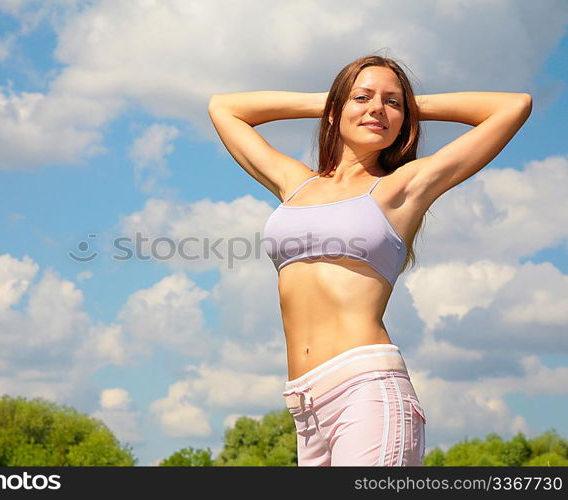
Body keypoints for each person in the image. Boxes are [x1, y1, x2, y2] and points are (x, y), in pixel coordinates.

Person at [207, 54, 532, 466]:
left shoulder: (402, 188)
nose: (378, 108)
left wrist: (407, 105)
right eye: (362, 97)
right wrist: (334, 102)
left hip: (366, 389)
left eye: (392, 103)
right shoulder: (296, 184)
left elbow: (513, 105)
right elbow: (225, 108)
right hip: (305, 407)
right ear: (334, 110)